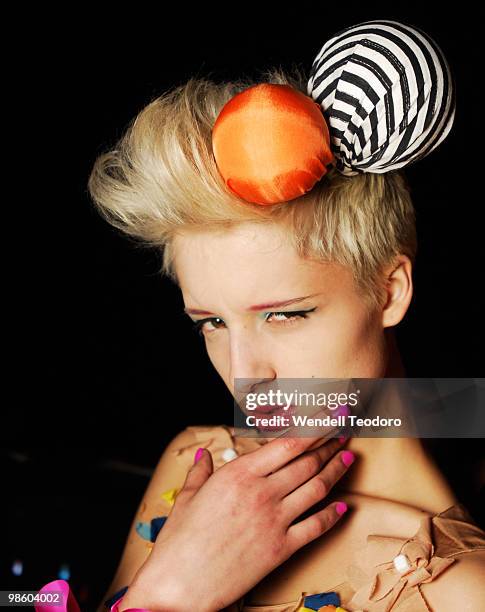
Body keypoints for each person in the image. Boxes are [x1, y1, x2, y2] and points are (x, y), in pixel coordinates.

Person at [40, 19, 485, 612]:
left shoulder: (459, 590)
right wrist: (163, 589)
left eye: (284, 315)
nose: (247, 374)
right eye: (212, 323)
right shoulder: (194, 468)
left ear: (391, 291)